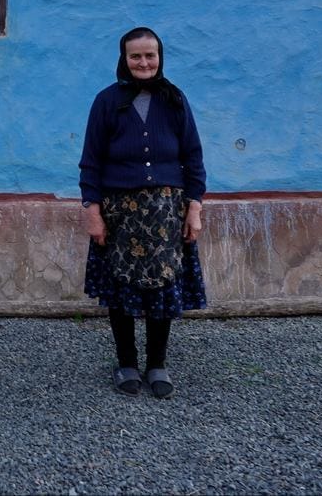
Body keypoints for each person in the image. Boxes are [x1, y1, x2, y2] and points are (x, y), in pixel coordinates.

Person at [78, 26, 208, 398]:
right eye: (136, 56)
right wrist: (92, 211)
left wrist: (195, 207)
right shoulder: (106, 101)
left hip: (167, 214)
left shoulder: (175, 99)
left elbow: (193, 157)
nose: (144, 62)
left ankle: (157, 364)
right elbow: (91, 162)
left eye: (150, 55)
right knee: (121, 289)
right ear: (124, 59)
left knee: (163, 289)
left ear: (159, 57)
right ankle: (126, 363)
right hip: (120, 213)